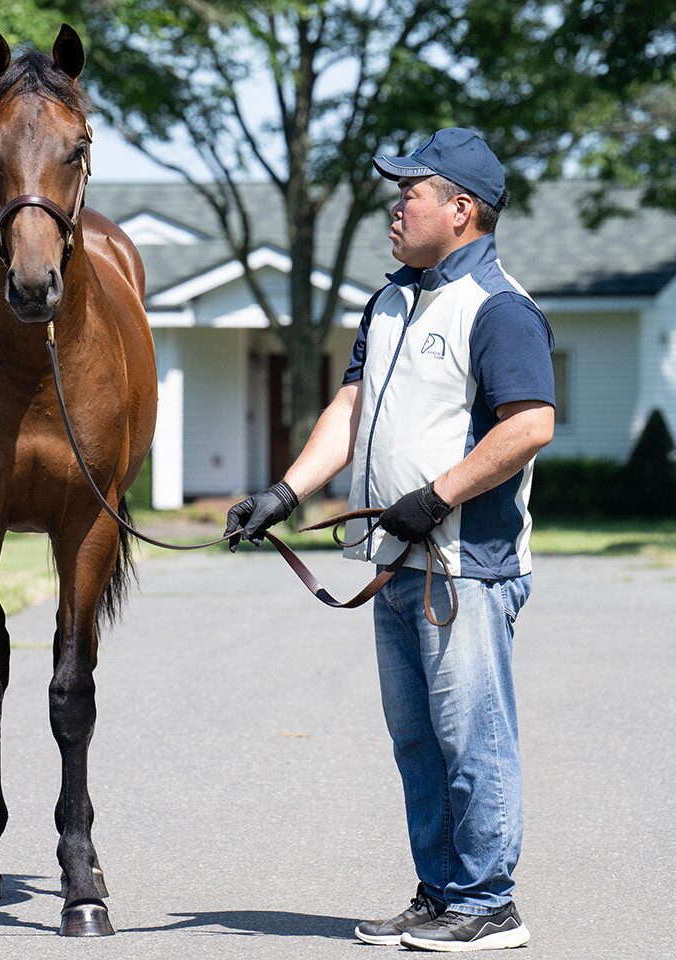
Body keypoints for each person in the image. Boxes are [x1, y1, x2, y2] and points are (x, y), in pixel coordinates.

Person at [225, 128, 555, 952]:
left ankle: (489, 903)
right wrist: (284, 492)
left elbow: (531, 427)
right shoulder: (390, 301)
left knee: (471, 736)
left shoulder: (500, 309)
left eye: (412, 190)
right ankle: (441, 893)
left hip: (463, 566)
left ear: (461, 208)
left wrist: (435, 497)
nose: (396, 204)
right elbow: (350, 411)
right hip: (397, 563)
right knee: (418, 742)